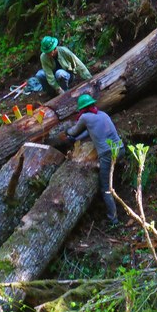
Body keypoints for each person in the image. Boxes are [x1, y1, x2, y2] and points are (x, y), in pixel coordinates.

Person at [66, 94, 123, 226]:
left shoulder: (85, 117)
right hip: (120, 149)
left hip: (107, 154)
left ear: (82, 109)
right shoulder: (102, 114)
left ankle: (113, 220)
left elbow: (74, 131)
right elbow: (90, 130)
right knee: (109, 179)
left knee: (105, 187)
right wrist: (76, 139)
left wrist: (67, 132)